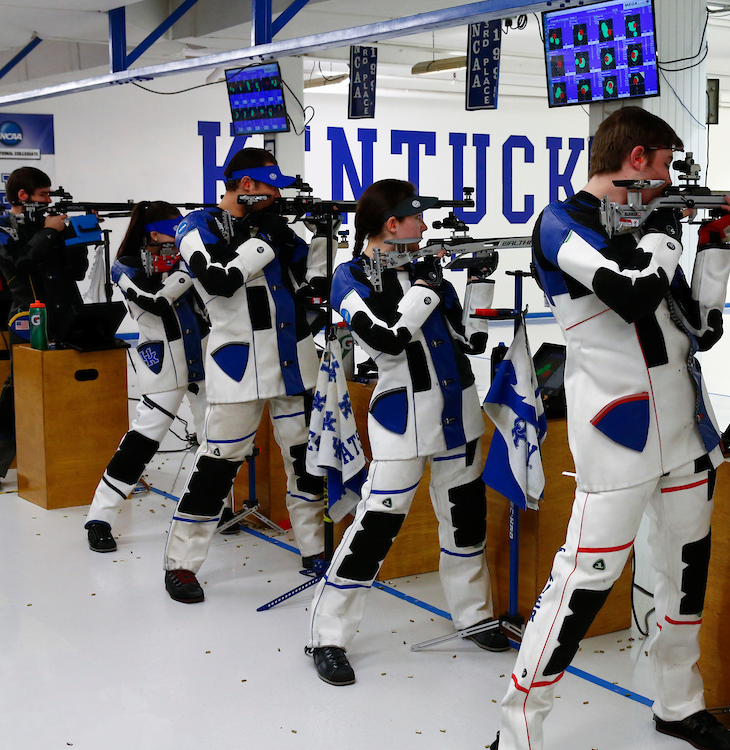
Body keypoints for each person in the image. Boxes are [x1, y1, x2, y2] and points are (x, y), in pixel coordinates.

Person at [492, 107, 730, 750]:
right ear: (637, 160)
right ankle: (518, 731)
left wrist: (716, 247)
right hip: (617, 436)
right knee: (582, 585)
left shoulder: (649, 233)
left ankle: (679, 704)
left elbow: (702, 330)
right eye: (664, 166)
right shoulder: (561, 223)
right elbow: (629, 293)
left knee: (684, 574)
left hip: (683, 432)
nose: (668, 180)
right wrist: (665, 233)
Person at [305, 178, 506, 687]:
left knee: (464, 519)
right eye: (417, 217)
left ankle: (473, 613)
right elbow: (387, 340)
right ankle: (328, 635)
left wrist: (479, 280)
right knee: (375, 527)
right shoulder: (349, 278)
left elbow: (470, 341)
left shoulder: (425, 272)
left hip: (458, 411)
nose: (425, 226)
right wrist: (424, 287)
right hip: (402, 419)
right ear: (392, 224)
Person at [161, 148, 328, 604]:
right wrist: (269, 239)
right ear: (247, 186)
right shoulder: (196, 226)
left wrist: (316, 241)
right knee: (217, 466)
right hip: (237, 364)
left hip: (293, 360)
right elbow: (217, 278)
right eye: (271, 185)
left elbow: (313, 283)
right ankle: (181, 563)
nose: (278, 195)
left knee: (304, 461)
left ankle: (314, 547)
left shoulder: (275, 227)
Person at [83, 201, 208, 552]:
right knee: (141, 442)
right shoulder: (125, 266)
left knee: (215, 440)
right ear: (154, 233)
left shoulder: (187, 257)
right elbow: (155, 302)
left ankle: (212, 509)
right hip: (163, 361)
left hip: (205, 355)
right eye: (174, 230)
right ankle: (100, 517)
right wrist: (189, 271)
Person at [0, 166, 89, 494]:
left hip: (68, 312)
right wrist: (51, 232)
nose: (49, 200)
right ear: (22, 196)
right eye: (43, 194)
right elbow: (21, 262)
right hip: (28, 317)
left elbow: (78, 272)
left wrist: (79, 234)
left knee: (75, 381)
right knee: (17, 390)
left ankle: (77, 457)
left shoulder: (51, 226)